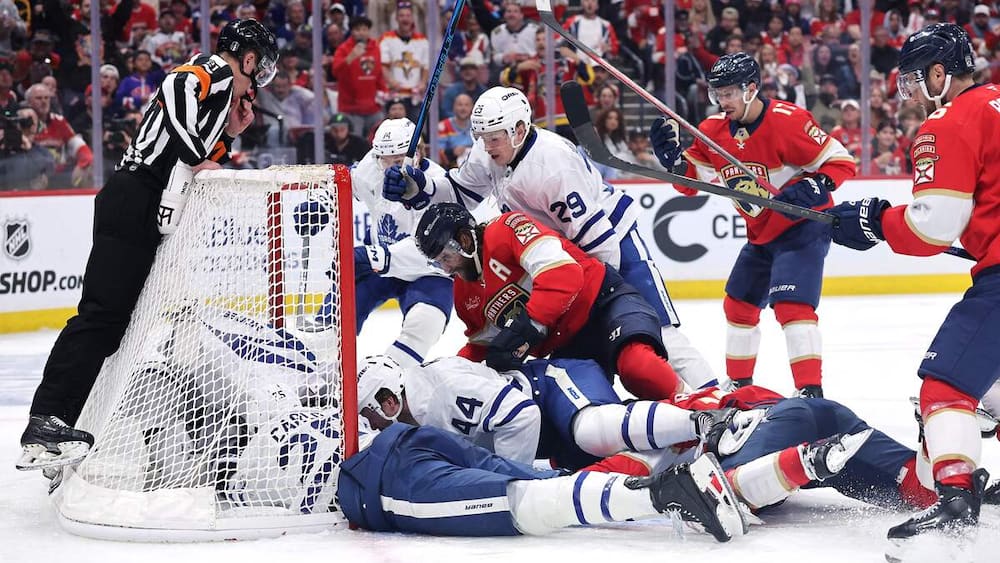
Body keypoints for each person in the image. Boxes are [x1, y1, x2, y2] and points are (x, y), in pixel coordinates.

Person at [16, 18, 277, 471]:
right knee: (100, 317)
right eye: (262, 65)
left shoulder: (221, 97)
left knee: (114, 326)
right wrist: (201, 153)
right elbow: (177, 93)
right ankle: (46, 422)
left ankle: (60, 432)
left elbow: (191, 146)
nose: (261, 76)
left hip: (141, 201)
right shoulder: (212, 69)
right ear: (250, 59)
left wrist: (229, 133)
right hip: (135, 196)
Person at [383, 86, 717, 391]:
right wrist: (420, 189)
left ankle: (712, 394)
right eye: (482, 137)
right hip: (565, 251)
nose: (486, 146)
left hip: (613, 241)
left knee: (658, 326)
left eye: (494, 137)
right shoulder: (491, 152)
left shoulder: (553, 165)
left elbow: (599, 244)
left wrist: (602, 301)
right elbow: (460, 194)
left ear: (518, 129)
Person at [825, 23, 998, 544]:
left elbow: (932, 225)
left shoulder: (949, 121)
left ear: (940, 74)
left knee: (946, 386)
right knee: (991, 389)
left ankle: (954, 499)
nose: (911, 94)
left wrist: (875, 222)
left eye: (916, 80)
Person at [649, 53, 855, 398]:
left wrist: (815, 185)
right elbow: (691, 184)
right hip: (761, 234)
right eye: (717, 94)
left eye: (729, 93)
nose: (721, 101)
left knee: (792, 306)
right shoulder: (713, 131)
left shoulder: (788, 121)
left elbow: (841, 161)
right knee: (738, 305)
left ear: (752, 89)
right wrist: (673, 163)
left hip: (802, 227)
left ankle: (809, 390)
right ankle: (740, 386)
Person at [410, 203, 683, 401]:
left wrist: (530, 324)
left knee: (639, 368)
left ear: (465, 239)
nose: (445, 269)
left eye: (446, 257)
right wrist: (450, 373)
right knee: (583, 418)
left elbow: (564, 274)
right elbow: (485, 344)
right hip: (568, 344)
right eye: (438, 263)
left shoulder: (507, 229)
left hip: (604, 302)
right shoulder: (463, 293)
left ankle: (697, 409)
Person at [338, 421, 743, 541]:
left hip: (381, 481)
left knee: (521, 503)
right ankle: (675, 458)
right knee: (547, 481)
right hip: (405, 439)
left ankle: (662, 493)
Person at [356, 355, 754, 469]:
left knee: (590, 430)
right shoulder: (420, 403)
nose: (368, 424)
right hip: (550, 430)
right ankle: (699, 447)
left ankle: (705, 420)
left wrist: (508, 476)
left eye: (368, 414)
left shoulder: (439, 392)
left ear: (388, 401)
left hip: (552, 388)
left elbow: (521, 414)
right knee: (624, 463)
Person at [309, 118, 450, 369]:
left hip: (427, 272)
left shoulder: (438, 185)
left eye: (398, 161)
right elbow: (349, 181)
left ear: (416, 154)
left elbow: (431, 250)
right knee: (331, 321)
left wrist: (372, 257)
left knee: (425, 323)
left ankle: (388, 381)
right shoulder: (373, 165)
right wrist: (321, 203)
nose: (389, 169)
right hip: (382, 266)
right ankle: (316, 372)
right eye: (385, 160)